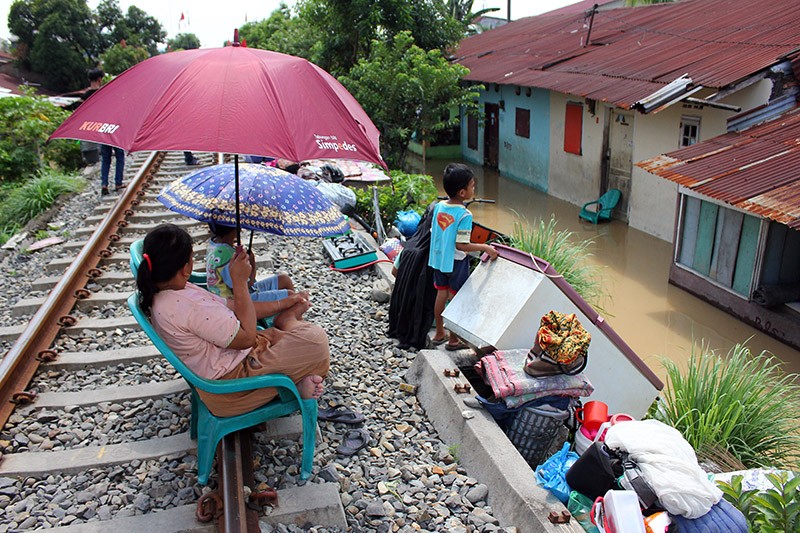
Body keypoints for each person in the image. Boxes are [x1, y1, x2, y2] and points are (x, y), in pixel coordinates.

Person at [135, 223, 329, 417]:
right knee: (316, 342)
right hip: (232, 388)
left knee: (282, 337)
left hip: (233, 360)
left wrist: (282, 302)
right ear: (186, 268)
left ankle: (294, 376)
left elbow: (233, 306)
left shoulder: (168, 291)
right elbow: (247, 339)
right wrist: (239, 283)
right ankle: (288, 333)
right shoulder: (188, 306)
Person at [428, 163, 498, 350]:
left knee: (441, 294)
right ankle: (453, 339)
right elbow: (461, 245)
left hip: (438, 260)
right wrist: (485, 247)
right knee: (456, 298)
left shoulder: (439, 206)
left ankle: (439, 333)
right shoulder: (464, 214)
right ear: (462, 192)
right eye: (472, 186)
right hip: (456, 262)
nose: (474, 189)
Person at [387, 202, 438, 350]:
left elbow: (394, 272)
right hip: (426, 318)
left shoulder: (410, 245)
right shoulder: (437, 251)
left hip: (400, 314)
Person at [206, 221, 296, 303]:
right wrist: (252, 265)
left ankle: (292, 318)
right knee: (291, 295)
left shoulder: (214, 245)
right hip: (238, 303)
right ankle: (291, 320)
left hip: (244, 293)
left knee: (284, 279)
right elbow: (242, 287)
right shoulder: (225, 255)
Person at [83, 68, 126, 196]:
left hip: (100, 129)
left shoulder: (85, 96)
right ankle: (118, 182)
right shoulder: (105, 92)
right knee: (119, 155)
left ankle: (104, 184)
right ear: (99, 79)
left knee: (105, 158)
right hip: (112, 128)